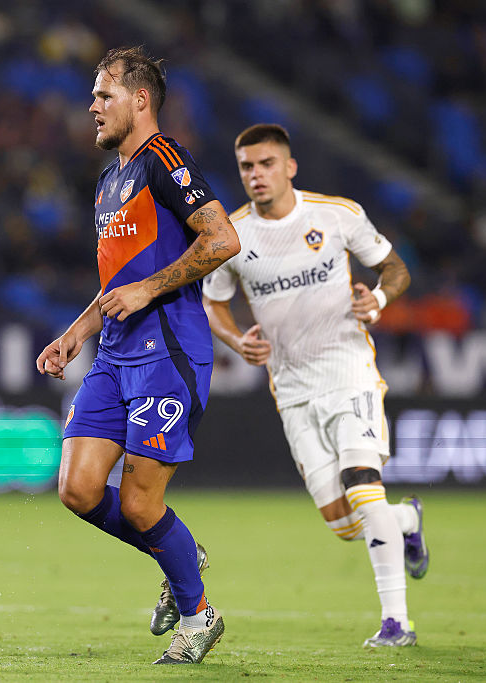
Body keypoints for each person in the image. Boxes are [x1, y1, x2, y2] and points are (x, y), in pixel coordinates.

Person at [36, 46, 240, 665]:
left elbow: (223, 237)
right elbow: (116, 283)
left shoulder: (164, 161)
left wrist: (151, 288)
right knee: (76, 487)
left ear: (140, 99)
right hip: (113, 355)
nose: (92, 106)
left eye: (104, 94)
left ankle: (198, 615)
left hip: (167, 354)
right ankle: (176, 550)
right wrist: (77, 329)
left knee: (139, 502)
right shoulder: (108, 182)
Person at [199, 123, 428, 647]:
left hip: (349, 371)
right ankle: (407, 520)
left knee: (363, 484)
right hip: (292, 388)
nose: (256, 175)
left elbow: (393, 268)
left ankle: (397, 623)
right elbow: (213, 302)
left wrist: (379, 299)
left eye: (266, 164)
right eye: (247, 167)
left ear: (289, 166)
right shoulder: (232, 235)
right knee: (345, 523)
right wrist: (236, 341)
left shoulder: (335, 214)